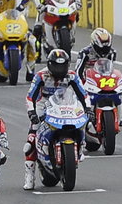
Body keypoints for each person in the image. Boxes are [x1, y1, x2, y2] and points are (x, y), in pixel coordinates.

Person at [22, 48, 87, 190]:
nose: (59, 69)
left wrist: (87, 108)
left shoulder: (72, 76)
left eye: (62, 65)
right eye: (56, 66)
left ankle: (81, 147)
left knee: (82, 121)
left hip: (65, 103)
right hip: (43, 104)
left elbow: (83, 94)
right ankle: (29, 176)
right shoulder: (41, 76)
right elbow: (30, 96)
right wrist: (32, 112)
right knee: (31, 138)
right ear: (50, 65)